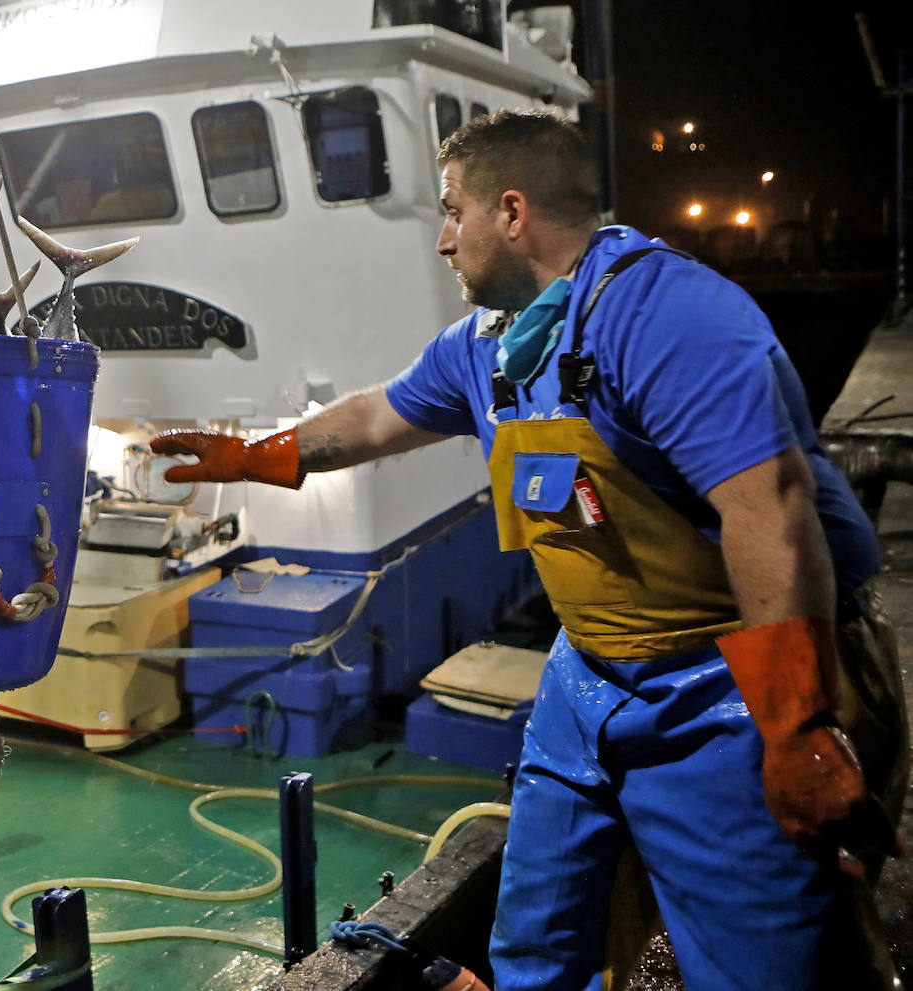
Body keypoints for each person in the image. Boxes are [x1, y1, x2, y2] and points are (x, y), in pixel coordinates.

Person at [152, 110, 909, 990]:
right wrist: (255, 455)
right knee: (535, 937)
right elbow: (376, 414)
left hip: (726, 688)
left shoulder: (671, 316)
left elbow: (771, 512)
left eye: (451, 212)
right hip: (584, 675)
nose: (442, 240)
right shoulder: (489, 347)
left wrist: (797, 728)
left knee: (760, 962)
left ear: (510, 213)